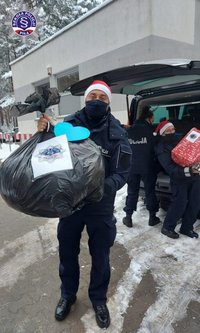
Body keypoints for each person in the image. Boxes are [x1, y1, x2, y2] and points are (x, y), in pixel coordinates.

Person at [37, 80, 132, 329]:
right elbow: (49, 158)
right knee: (68, 252)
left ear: (109, 102)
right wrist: (44, 133)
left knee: (100, 255)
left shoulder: (117, 133)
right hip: (71, 203)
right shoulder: (68, 126)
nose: (97, 100)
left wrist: (103, 188)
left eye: (102, 97)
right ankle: (67, 295)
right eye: (93, 96)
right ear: (86, 99)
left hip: (100, 205)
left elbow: (122, 173)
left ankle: (98, 299)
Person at [154, 120, 200, 239]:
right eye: (168, 130)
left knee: (195, 203)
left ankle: (187, 228)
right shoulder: (161, 147)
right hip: (179, 179)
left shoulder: (183, 138)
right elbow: (170, 168)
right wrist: (189, 171)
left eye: (172, 129)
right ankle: (167, 227)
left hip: (195, 177)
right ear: (162, 133)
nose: (171, 132)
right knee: (180, 203)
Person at [122, 106, 161, 228]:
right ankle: (152, 217)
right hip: (148, 167)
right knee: (150, 192)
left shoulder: (128, 131)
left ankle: (128, 217)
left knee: (132, 192)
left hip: (132, 167)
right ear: (149, 118)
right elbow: (157, 147)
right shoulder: (151, 131)